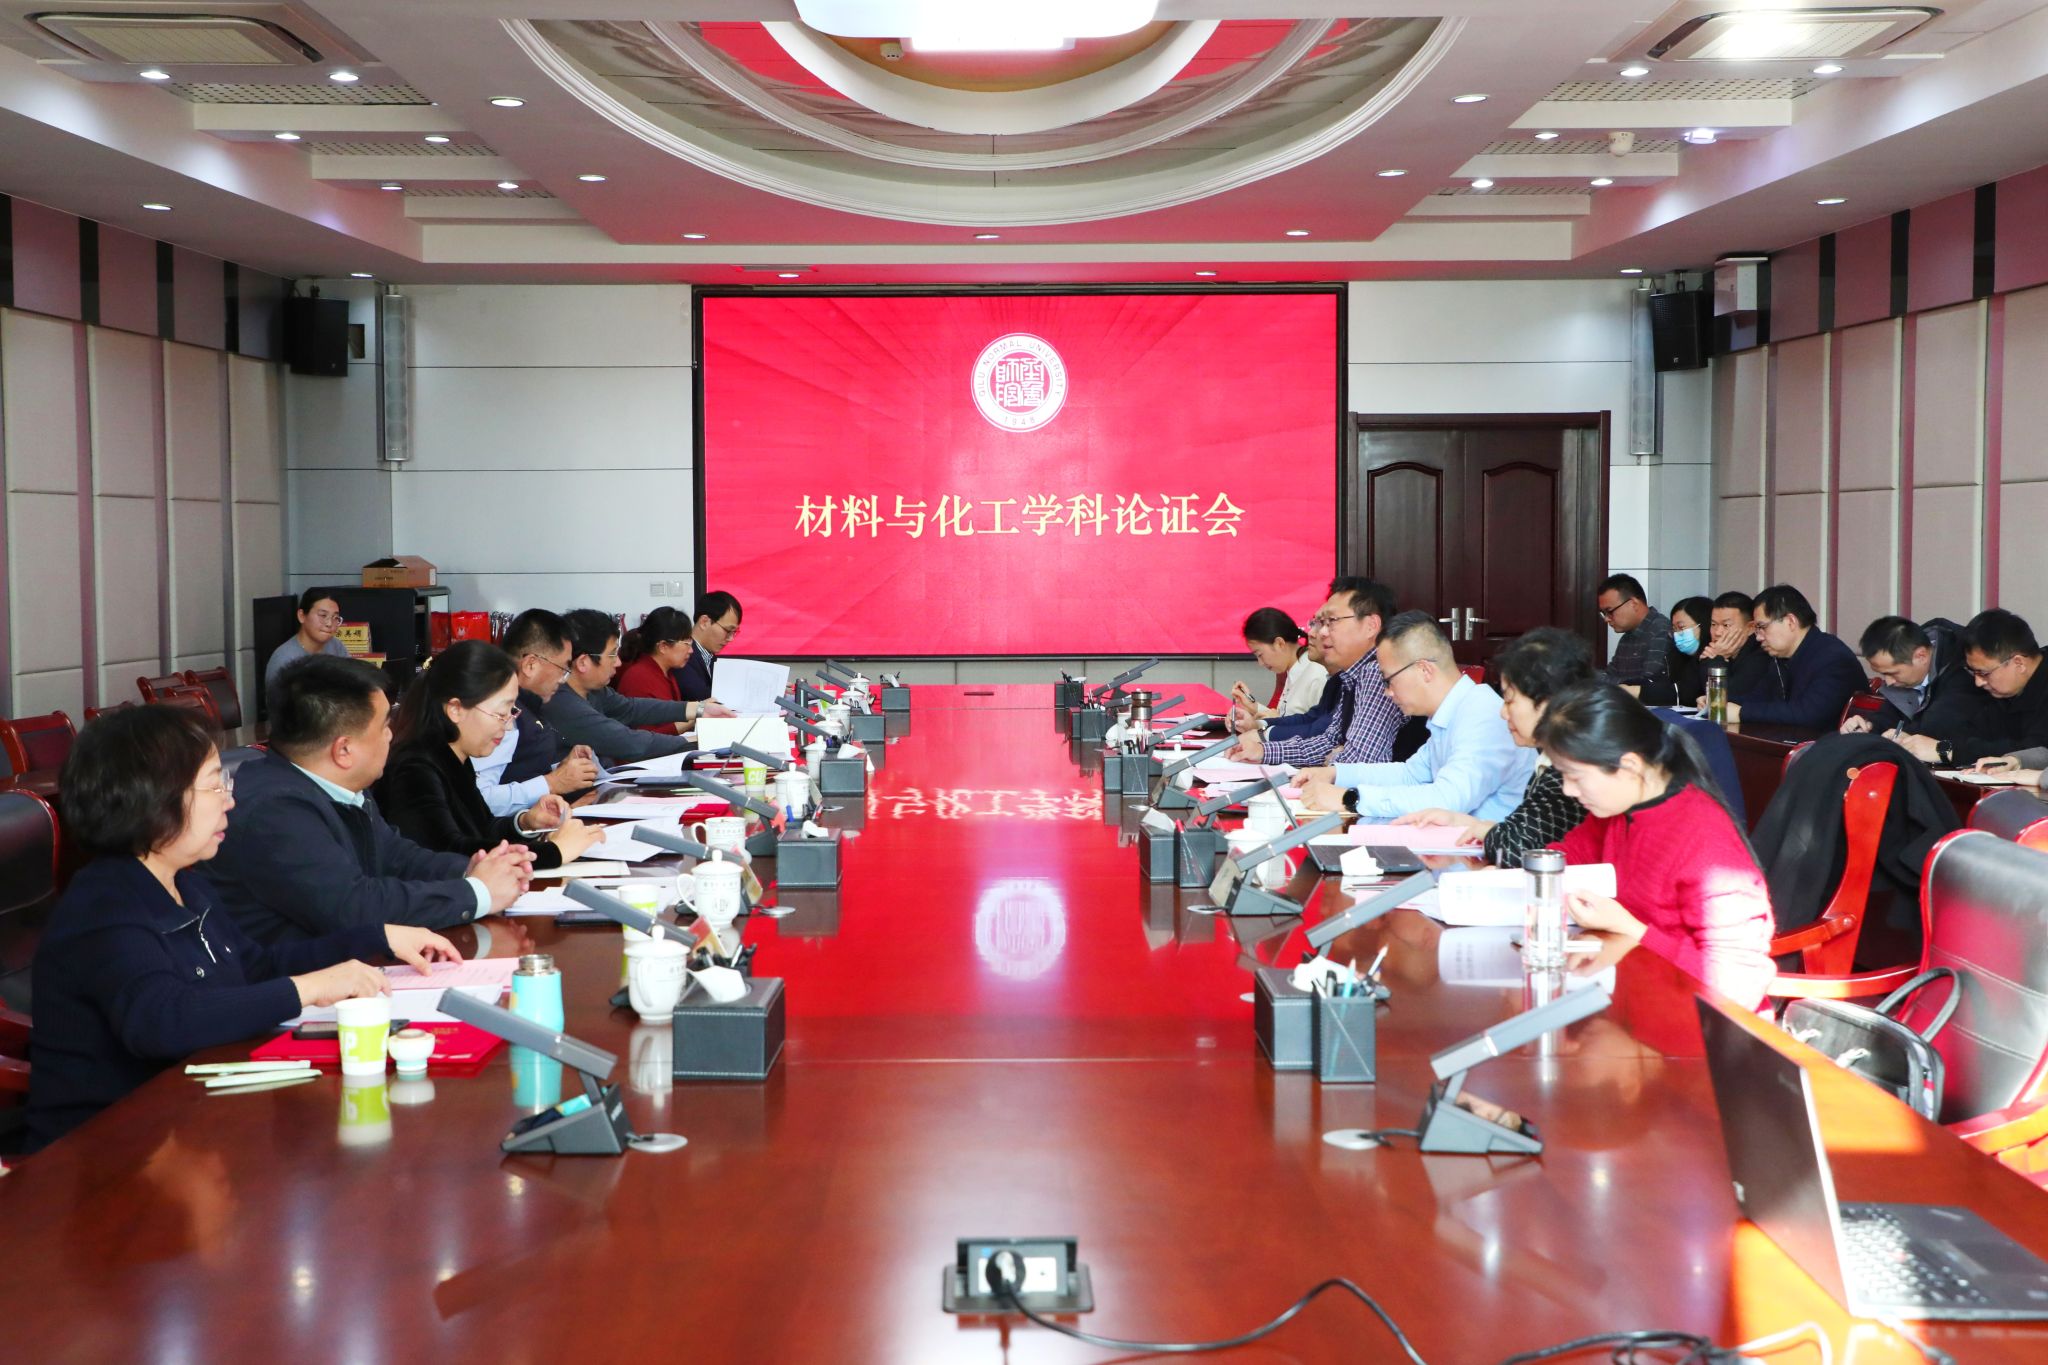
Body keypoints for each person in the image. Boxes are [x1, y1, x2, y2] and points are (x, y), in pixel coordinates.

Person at [26, 706, 461, 1149]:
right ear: (152, 799)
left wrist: (376, 937)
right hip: (104, 1151)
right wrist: (310, 987)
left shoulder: (185, 884)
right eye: (215, 784)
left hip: (190, 1122)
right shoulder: (104, 906)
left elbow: (255, 967)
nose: (229, 800)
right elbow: (162, 1020)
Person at [210, 655, 530, 944]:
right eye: (384, 725)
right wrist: (475, 893)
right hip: (295, 982)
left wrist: (470, 869)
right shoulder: (275, 810)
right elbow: (354, 907)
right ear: (344, 750)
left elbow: (396, 856)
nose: (391, 735)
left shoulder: (340, 784)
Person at [1535, 683, 1776, 1007]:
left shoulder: (1704, 841)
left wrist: (1629, 928)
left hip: (1699, 1020)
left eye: (1575, 777)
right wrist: (1517, 875)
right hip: (1633, 996)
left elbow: (1738, 982)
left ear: (1630, 766)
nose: (1568, 790)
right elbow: (1571, 854)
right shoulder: (1624, 808)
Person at [378, 641, 602, 869]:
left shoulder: (455, 758)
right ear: (455, 709)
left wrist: (525, 823)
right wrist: (555, 852)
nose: (507, 725)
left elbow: (483, 829)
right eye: (501, 713)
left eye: (511, 712)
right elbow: (448, 852)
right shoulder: (414, 769)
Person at [1296, 612, 1533, 820]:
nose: (1387, 692)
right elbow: (1411, 774)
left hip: (1488, 852)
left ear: (1424, 670)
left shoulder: (1482, 714)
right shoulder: (1453, 710)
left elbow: (1448, 799)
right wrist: (1335, 774)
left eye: (1388, 680)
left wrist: (1350, 799)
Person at [1392, 626, 1596, 866]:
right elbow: (1524, 832)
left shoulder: (1571, 770)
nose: (1503, 713)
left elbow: (1519, 849)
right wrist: (1465, 823)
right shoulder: (1548, 760)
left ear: (1547, 702)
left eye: (1509, 700)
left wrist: (1485, 830)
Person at [1229, 578, 1405, 768]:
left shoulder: (1378, 671)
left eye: (1332, 621)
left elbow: (1359, 763)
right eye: (1322, 623)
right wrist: (1262, 751)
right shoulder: (1352, 677)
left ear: (1371, 626)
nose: (1321, 633)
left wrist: (1336, 756)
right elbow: (1328, 741)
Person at [541, 609, 704, 766]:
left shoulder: (594, 690)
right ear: (583, 662)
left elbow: (631, 708)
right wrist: (695, 742)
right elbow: (627, 742)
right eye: (612, 654)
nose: (618, 662)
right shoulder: (562, 703)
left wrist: (699, 709)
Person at [476, 608, 600, 807]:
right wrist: (552, 783)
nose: (563, 679)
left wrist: (561, 769)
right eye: (563, 668)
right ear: (530, 665)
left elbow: (519, 771)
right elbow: (480, 799)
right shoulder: (500, 714)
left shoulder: (528, 704)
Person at [1843, 615, 1996, 762]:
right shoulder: (1907, 674)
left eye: (1893, 673)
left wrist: (1900, 736)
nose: (1888, 682)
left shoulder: (1963, 670)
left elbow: (1937, 727)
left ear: (1920, 656)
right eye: (1883, 674)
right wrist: (1867, 727)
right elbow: (1890, 716)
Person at [1720, 584, 1864, 729]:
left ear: (1790, 622)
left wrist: (1741, 713)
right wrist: (1718, 703)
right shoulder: (1781, 659)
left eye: (1762, 627)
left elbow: (1808, 714)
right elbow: (1757, 698)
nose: (1758, 637)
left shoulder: (1833, 658)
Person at [1947, 608, 2048, 767]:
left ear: (2019, 663)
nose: (1978, 682)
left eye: (1983, 673)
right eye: (1973, 672)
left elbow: (2035, 750)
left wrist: (1951, 752)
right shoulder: (2002, 690)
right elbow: (1965, 734)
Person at [616, 607, 736, 733]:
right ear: (663, 646)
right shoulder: (638, 678)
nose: (691, 650)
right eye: (687, 643)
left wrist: (701, 708)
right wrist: (699, 711)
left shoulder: (666, 672)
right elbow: (649, 735)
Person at [1231, 607, 1327, 721]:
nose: (1260, 663)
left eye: (1260, 654)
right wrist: (1254, 707)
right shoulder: (1293, 671)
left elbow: (1321, 728)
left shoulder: (1317, 675)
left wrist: (1275, 722)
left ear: (1279, 643)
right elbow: (1284, 717)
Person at [1596, 574, 1673, 698]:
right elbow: (1610, 674)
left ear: (1633, 604)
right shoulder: (1627, 636)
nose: (1606, 619)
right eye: (1603, 613)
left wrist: (1605, 681)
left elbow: (1648, 683)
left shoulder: (1661, 630)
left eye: (1609, 611)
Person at [1693, 589, 1773, 703]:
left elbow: (1724, 698)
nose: (1717, 632)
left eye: (1726, 625)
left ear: (1751, 628)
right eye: (1713, 624)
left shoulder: (1761, 656)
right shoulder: (1715, 650)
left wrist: (1717, 659)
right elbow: (1698, 694)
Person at [264, 587, 352, 689]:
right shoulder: (284, 659)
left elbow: (353, 683)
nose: (329, 623)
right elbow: (278, 698)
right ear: (301, 616)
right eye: (323, 615)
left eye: (335, 618)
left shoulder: (336, 646)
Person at [1639, 595, 1712, 708]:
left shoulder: (1714, 656)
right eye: (1674, 629)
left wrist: (1638, 691)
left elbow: (1686, 693)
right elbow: (1658, 680)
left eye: (1681, 627)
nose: (1677, 634)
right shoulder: (1676, 655)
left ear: (1705, 625)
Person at [673, 590, 743, 704]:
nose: (731, 639)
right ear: (704, 622)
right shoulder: (682, 655)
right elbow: (701, 697)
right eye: (728, 630)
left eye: (734, 632)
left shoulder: (710, 658)